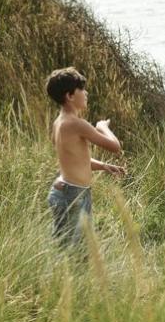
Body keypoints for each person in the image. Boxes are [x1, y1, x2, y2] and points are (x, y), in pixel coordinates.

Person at [46, 67, 125, 248]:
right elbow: (115, 147)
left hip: (67, 191)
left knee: (69, 248)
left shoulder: (59, 122)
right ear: (70, 96)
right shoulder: (77, 124)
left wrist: (104, 166)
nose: (86, 92)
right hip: (72, 195)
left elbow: (75, 160)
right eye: (81, 89)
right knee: (75, 252)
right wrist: (102, 127)